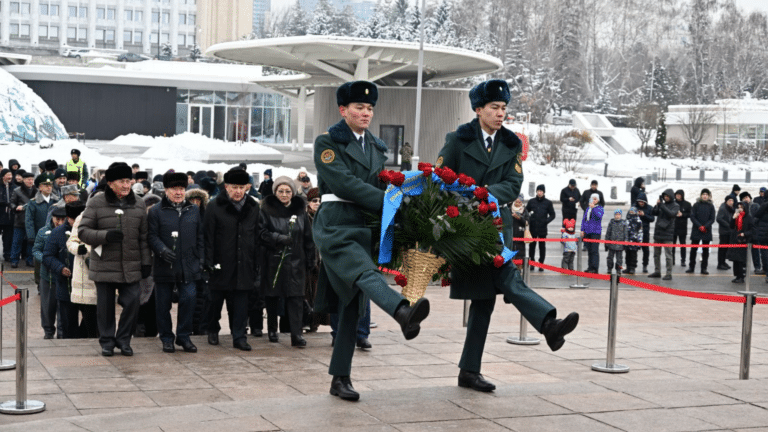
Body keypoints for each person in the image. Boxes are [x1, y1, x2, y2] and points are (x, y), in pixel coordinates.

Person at [435, 79, 579, 394]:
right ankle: (548, 325)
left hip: (498, 227)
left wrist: (486, 195)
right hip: (467, 229)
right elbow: (441, 179)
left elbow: (513, 182)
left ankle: (469, 371)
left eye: (504, 108)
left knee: (485, 300)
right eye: (494, 108)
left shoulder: (511, 144)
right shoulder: (457, 140)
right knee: (501, 282)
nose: (501, 114)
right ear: (478, 109)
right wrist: (468, 200)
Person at [313, 80, 434, 401]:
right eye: (358, 107)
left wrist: (411, 201)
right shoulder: (328, 142)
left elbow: (384, 184)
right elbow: (344, 183)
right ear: (343, 110)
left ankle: (340, 379)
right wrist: (389, 202)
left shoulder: (378, 148)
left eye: (369, 108)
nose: (365, 113)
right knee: (363, 274)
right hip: (336, 224)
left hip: (364, 224)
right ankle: (401, 312)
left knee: (351, 303)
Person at [78, 162, 152, 357]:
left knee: (133, 302)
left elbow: (143, 237)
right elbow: (83, 232)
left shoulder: (138, 203)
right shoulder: (96, 202)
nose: (127, 185)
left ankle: (124, 339)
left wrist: (146, 263)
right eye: (122, 181)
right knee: (105, 308)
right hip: (104, 265)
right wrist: (105, 236)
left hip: (131, 264)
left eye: (129, 181)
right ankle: (107, 342)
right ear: (110, 183)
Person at [204, 168, 260, 352]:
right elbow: (208, 236)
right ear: (226, 187)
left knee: (241, 304)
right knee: (215, 302)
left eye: (241, 187)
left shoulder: (253, 206)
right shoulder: (214, 206)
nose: (238, 191)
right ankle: (212, 329)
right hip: (221, 261)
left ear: (247, 187)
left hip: (244, 263)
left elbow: (257, 236)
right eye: (234, 187)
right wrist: (209, 262)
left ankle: (239, 336)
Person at [147, 172, 203, 354]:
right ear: (166, 190)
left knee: (189, 299)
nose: (178, 193)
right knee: (163, 304)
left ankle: (184, 336)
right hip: (165, 265)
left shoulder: (193, 210)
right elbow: (151, 236)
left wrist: (200, 258)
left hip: (188, 264)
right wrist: (161, 250)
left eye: (181, 189)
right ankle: (166, 337)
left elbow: (200, 236)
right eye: (174, 189)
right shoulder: (156, 211)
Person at [259, 176, 315, 347]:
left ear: (293, 192)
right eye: (281, 191)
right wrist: (278, 238)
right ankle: (272, 329)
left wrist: (310, 259)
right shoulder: (266, 211)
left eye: (288, 191)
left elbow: (308, 237)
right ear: (275, 192)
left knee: (296, 299)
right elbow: (261, 233)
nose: (284, 194)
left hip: (296, 262)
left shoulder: (300, 212)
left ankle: (296, 334)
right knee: (273, 297)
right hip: (273, 261)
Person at [44, 202, 97, 338]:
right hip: (66, 284)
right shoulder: (57, 233)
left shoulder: (89, 229)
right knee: (68, 324)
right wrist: (60, 268)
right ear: (68, 218)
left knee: (91, 322)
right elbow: (48, 256)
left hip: (88, 284)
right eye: (74, 220)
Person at [65, 204, 98, 336]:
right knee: (89, 313)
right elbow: (71, 242)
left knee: (102, 315)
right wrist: (79, 249)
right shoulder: (83, 217)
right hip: (85, 272)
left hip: (106, 272)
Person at [185, 187, 211, 336]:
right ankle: (190, 327)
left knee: (203, 296)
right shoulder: (185, 215)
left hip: (203, 260)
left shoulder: (206, 216)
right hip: (189, 260)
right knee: (190, 296)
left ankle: (200, 327)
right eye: (192, 200)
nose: (195, 203)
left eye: (198, 200)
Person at [32, 208, 61, 338]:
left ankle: (62, 331)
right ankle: (48, 331)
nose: (60, 222)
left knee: (63, 307)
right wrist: (45, 259)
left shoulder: (68, 231)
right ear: (52, 218)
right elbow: (36, 250)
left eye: (63, 219)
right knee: (47, 305)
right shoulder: (43, 232)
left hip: (63, 275)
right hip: (47, 274)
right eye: (57, 219)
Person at [304, 187, 329, 333]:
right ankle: (307, 322)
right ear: (308, 202)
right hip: (308, 261)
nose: (317, 203)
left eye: (320, 201)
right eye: (314, 201)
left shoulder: (326, 217)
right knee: (307, 294)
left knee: (319, 294)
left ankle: (316, 324)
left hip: (323, 261)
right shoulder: (304, 217)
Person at [27, 174, 59, 285]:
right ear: (40, 187)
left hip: (54, 234)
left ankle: (51, 282)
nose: (49, 187)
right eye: (45, 185)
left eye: (50, 185)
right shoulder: (33, 202)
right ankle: (39, 283)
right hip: (39, 234)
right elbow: (29, 220)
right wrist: (31, 236)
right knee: (38, 261)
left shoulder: (57, 201)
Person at [648, 189, 679, 281]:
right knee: (656, 254)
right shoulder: (663, 204)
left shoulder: (675, 205)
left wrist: (662, 206)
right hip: (658, 232)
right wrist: (657, 205)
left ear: (671, 196)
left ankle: (669, 273)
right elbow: (653, 213)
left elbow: (671, 214)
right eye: (664, 196)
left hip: (668, 233)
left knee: (668, 255)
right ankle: (657, 271)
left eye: (667, 196)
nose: (666, 198)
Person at [526, 184, 555, 271]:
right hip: (533, 227)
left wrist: (546, 221)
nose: (539, 192)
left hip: (542, 228)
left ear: (544, 192)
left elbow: (553, 215)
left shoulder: (548, 203)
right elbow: (526, 212)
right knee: (532, 246)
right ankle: (532, 262)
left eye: (541, 191)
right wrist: (529, 219)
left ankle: (541, 263)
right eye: (538, 191)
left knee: (542, 246)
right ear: (536, 191)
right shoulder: (531, 201)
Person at [9, 172, 36, 268]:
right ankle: (14, 260)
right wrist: (16, 207)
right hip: (20, 220)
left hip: (32, 222)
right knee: (17, 242)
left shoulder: (36, 191)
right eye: (28, 179)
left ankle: (29, 260)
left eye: (32, 179)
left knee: (30, 242)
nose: (30, 181)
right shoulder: (17, 191)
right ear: (24, 180)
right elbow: (11, 203)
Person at [687, 189, 716, 275]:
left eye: (706, 194)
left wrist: (705, 226)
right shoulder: (696, 205)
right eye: (703, 194)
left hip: (706, 230)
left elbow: (712, 219)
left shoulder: (711, 206)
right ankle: (691, 267)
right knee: (693, 250)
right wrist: (699, 226)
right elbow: (692, 217)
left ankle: (704, 268)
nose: (705, 196)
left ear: (709, 196)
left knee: (705, 251)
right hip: (697, 229)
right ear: (701, 195)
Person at [727, 201, 753, 283]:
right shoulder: (736, 216)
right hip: (735, 239)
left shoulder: (748, 217)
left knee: (741, 260)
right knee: (735, 259)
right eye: (738, 207)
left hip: (743, 240)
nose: (739, 209)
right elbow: (731, 226)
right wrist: (733, 218)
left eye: (741, 207)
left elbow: (752, 230)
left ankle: (741, 276)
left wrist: (744, 233)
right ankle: (737, 276)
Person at [580, 193, 603, 273]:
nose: (594, 200)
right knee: (589, 251)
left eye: (595, 199)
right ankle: (590, 267)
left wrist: (593, 209)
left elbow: (599, 217)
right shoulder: (588, 209)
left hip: (595, 232)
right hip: (587, 232)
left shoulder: (599, 208)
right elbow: (584, 220)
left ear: (598, 200)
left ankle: (595, 268)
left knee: (594, 251)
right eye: (592, 199)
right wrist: (582, 230)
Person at [741, 192, 763, 274]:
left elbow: (759, 216)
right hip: (745, 232)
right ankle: (743, 266)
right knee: (744, 251)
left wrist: (752, 223)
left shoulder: (755, 205)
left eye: (747, 197)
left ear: (750, 197)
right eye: (744, 198)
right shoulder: (742, 206)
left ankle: (757, 267)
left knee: (755, 251)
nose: (745, 199)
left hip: (754, 231)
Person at [635, 192, 655, 273]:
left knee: (645, 249)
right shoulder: (634, 207)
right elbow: (628, 217)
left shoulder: (649, 208)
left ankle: (645, 265)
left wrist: (644, 215)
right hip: (635, 232)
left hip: (645, 232)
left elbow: (652, 219)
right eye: (640, 201)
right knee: (633, 250)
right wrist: (635, 215)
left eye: (642, 202)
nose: (641, 203)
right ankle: (632, 265)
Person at [716, 195, 736, 270]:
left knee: (726, 248)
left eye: (732, 201)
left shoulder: (730, 208)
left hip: (729, 232)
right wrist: (729, 225)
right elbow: (719, 219)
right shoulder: (723, 208)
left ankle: (723, 262)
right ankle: (720, 263)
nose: (731, 202)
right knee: (722, 248)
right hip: (724, 231)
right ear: (726, 201)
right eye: (729, 201)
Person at [605, 209, 627, 273]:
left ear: (621, 215)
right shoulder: (611, 222)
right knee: (610, 258)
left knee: (619, 259)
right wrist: (607, 243)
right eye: (616, 214)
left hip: (620, 244)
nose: (617, 216)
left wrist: (625, 242)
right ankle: (609, 268)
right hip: (611, 243)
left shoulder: (623, 223)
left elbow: (625, 233)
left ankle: (618, 269)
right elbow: (608, 233)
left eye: (619, 214)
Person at [673, 190, 691, 268]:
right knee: (672, 245)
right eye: (677, 195)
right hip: (673, 227)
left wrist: (682, 214)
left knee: (683, 244)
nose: (678, 196)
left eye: (680, 195)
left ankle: (683, 260)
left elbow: (690, 214)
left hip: (682, 227)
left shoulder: (687, 204)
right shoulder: (672, 203)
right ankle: (672, 259)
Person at [0, 169, 15, 262]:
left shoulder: (13, 187)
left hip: (9, 216)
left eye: (10, 175)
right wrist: (5, 203)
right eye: (7, 175)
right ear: (2, 176)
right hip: (1, 213)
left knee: (8, 237)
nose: (10, 177)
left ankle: (7, 254)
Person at [625, 207, 643, 275]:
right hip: (627, 241)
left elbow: (640, 232)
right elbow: (624, 231)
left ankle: (632, 267)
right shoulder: (627, 220)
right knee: (627, 255)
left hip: (635, 241)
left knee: (633, 255)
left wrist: (640, 242)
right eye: (630, 212)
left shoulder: (638, 221)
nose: (631, 213)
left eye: (633, 212)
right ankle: (628, 267)